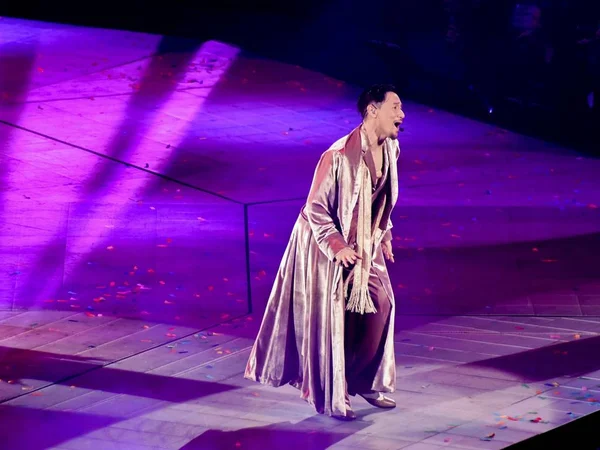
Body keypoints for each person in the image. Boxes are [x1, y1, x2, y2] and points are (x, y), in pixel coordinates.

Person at [245, 84, 405, 421]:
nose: (401, 115)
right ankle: (336, 391)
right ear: (372, 110)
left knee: (382, 305)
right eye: (395, 107)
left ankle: (361, 381)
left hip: (364, 243)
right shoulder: (336, 157)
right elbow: (316, 209)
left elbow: (381, 200)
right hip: (324, 244)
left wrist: (385, 235)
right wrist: (337, 246)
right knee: (336, 318)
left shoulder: (390, 148)